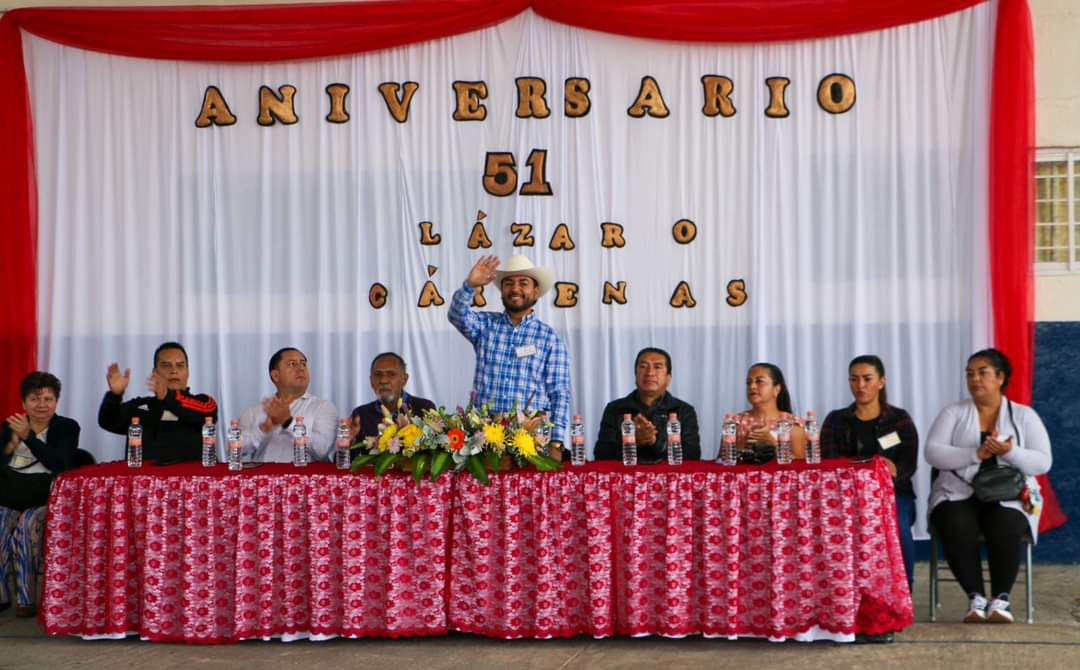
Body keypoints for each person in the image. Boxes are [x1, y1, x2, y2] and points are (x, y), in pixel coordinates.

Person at [926, 348, 1052, 624]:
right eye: (970, 374)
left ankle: (1001, 599)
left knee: (1005, 523)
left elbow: (1043, 462)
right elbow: (932, 453)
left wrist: (1010, 452)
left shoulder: (1024, 415)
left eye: (983, 373)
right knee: (955, 522)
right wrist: (975, 454)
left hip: (1008, 494)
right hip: (957, 491)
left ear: (1000, 378)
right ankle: (976, 598)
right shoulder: (953, 412)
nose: (975, 380)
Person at [448, 255, 570, 455]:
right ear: (502, 290)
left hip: (531, 443)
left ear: (536, 291)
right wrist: (470, 285)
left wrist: (556, 442)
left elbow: (559, 393)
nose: (515, 289)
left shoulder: (549, 338)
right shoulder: (485, 326)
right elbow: (456, 315)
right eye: (509, 283)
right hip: (483, 440)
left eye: (523, 283)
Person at [821, 355, 919, 590]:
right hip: (845, 497)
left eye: (867, 379)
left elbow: (908, 464)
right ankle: (842, 592)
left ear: (881, 382)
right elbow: (828, 464)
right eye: (854, 379)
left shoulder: (899, 419)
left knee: (896, 524)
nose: (860, 385)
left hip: (893, 495)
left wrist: (892, 472)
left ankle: (904, 589)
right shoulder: (836, 420)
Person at [0, 372, 80, 618]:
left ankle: (26, 600)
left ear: (56, 401)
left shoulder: (67, 427)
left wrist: (29, 437)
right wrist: (10, 446)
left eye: (48, 399)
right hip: (10, 495)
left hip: (45, 498)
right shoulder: (10, 425)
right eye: (35, 399)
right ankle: (2, 596)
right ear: (24, 403)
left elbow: (61, 464)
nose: (42, 405)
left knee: (26, 526)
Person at [98, 341, 218, 464]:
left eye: (180, 365)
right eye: (166, 365)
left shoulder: (203, 403)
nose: (174, 371)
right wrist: (114, 396)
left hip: (192, 481)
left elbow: (207, 412)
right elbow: (108, 421)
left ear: (188, 371)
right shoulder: (141, 407)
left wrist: (167, 396)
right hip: (144, 481)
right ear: (155, 372)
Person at [594, 347, 700, 462]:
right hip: (626, 478)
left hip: (669, 478)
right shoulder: (615, 409)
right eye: (643, 367)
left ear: (668, 378)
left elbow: (692, 455)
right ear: (635, 376)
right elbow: (601, 455)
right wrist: (633, 441)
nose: (649, 373)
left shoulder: (683, 410)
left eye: (657, 367)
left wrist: (654, 441)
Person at [239, 347, 338, 463]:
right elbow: (236, 451)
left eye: (303, 364)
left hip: (306, 479)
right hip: (264, 479)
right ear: (275, 376)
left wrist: (288, 422)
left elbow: (322, 451)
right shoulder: (254, 412)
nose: (301, 368)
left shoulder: (323, 407)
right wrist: (264, 428)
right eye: (292, 364)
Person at [350, 352, 436, 443]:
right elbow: (346, 456)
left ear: (404, 380)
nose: (383, 380)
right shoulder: (360, 414)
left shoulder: (424, 409)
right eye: (378, 375)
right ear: (371, 381)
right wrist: (348, 443)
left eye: (391, 374)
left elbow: (436, 452)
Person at [735, 362, 806, 459]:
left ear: (776, 389)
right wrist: (742, 444)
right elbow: (720, 462)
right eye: (748, 383)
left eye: (759, 381)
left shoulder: (793, 424)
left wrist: (773, 445)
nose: (752, 386)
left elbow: (802, 466)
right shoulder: (736, 422)